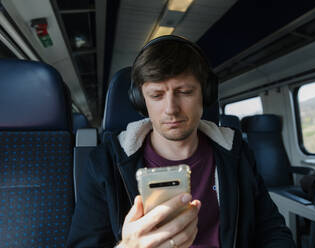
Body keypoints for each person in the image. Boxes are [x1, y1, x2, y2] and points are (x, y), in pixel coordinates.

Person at [66, 35, 296, 248]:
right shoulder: (106, 163)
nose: (171, 110)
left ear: (206, 94)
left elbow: (272, 231)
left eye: (185, 92)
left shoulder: (236, 153)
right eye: (156, 96)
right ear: (140, 100)